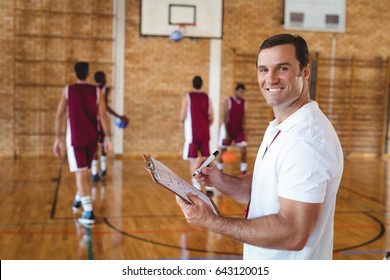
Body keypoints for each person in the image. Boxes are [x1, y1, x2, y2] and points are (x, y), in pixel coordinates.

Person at [176, 34, 344, 260]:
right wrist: (219, 179)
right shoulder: (281, 126)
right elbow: (262, 189)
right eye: (263, 70)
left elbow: (293, 233)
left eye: (282, 68)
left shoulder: (307, 140)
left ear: (305, 71)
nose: (270, 79)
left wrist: (212, 222)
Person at [53, 62, 113, 225]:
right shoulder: (97, 91)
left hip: (76, 139)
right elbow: (103, 116)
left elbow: (59, 115)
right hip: (92, 137)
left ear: (75, 73)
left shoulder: (68, 90)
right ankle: (79, 199)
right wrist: (108, 138)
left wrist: (57, 138)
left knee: (80, 173)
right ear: (88, 73)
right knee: (85, 172)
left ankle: (88, 212)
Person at [91, 71, 129, 182]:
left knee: (95, 147)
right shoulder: (104, 89)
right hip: (101, 120)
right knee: (104, 145)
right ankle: (102, 170)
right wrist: (119, 116)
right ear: (103, 79)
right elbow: (105, 106)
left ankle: (94, 173)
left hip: (93, 120)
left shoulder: (92, 89)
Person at [179, 76, 214, 195]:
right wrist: (205, 126)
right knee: (206, 160)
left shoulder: (187, 97)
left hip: (192, 134)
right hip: (204, 133)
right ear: (202, 84)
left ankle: (196, 186)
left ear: (192, 84)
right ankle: (209, 187)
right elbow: (211, 116)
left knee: (193, 160)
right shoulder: (207, 98)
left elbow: (182, 115)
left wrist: (181, 124)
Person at [217, 83, 248, 175]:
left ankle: (243, 171)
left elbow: (243, 118)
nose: (241, 94)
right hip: (227, 128)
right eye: (240, 91)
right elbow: (225, 118)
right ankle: (219, 170)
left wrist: (244, 132)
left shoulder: (244, 103)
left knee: (244, 150)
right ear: (236, 91)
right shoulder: (228, 101)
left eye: (243, 92)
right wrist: (227, 134)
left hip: (238, 130)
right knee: (223, 151)